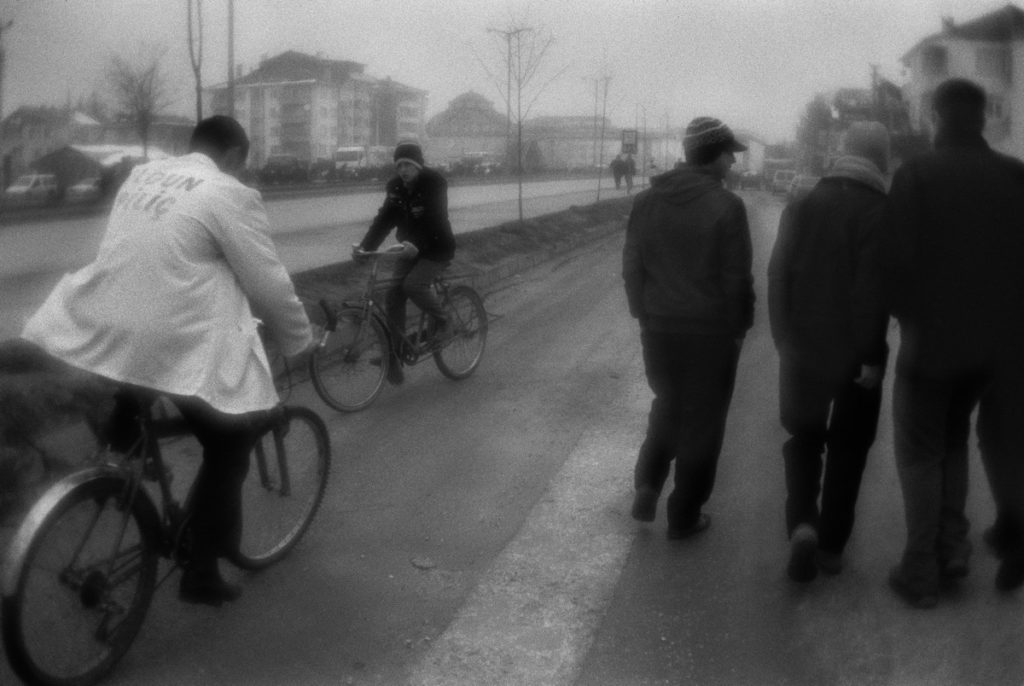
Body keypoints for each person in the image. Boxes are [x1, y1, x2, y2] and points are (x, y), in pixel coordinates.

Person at [21, 115, 313, 606]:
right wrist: (299, 340)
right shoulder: (226, 192)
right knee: (230, 445)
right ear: (236, 156)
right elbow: (268, 281)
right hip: (169, 338)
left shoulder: (143, 176)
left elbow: (158, 253)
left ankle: (126, 434)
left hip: (110, 325)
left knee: (146, 374)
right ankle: (199, 572)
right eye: (242, 162)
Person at [882, 78, 1024, 607]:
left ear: (938, 117)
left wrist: (910, 316)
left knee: (920, 453)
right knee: (955, 441)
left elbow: (893, 265)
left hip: (933, 347)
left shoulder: (917, 175)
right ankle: (954, 547)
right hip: (994, 351)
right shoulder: (1016, 176)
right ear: (983, 117)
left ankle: (921, 569)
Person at [768, 122, 891, 582]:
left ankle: (802, 523)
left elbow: (778, 273)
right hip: (855, 355)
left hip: (802, 346)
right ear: (880, 159)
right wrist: (871, 355)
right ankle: (832, 546)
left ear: (843, 153)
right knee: (850, 448)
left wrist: (783, 336)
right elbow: (872, 291)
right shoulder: (881, 210)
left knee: (804, 439)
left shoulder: (802, 204)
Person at [622, 116, 754, 539]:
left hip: (659, 330)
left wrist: (643, 314)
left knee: (667, 405)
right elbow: (736, 278)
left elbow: (632, 267)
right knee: (703, 421)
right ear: (712, 156)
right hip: (710, 334)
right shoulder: (726, 206)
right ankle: (684, 514)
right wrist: (739, 326)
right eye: (729, 153)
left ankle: (647, 484)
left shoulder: (646, 202)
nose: (733, 161)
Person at [354, 141, 456, 385]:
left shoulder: (434, 183)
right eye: (399, 165)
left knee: (413, 285)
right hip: (408, 249)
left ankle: (445, 321)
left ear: (418, 165)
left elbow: (435, 219)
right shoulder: (396, 188)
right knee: (393, 295)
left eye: (408, 164)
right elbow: (384, 220)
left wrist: (417, 244)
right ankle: (396, 355)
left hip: (436, 247)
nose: (403, 170)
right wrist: (365, 248)